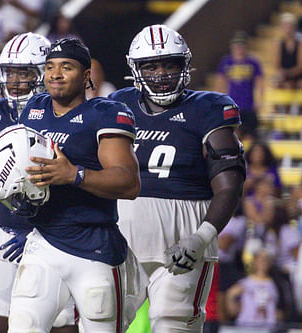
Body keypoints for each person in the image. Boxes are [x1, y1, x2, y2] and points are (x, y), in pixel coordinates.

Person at [0, 37, 146, 333]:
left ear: (87, 75)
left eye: (66, 67)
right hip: (44, 240)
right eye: (50, 67)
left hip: (95, 246)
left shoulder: (103, 114)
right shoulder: (35, 109)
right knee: (22, 325)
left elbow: (129, 183)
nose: (55, 74)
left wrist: (75, 174)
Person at [109, 25, 246, 332]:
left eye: (170, 64)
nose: (161, 74)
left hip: (184, 226)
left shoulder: (209, 108)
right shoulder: (119, 104)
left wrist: (201, 238)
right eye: (151, 66)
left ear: (184, 65)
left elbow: (230, 184)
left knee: (173, 323)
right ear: (136, 69)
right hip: (121, 228)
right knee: (103, 320)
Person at [0, 32, 79, 333]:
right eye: (9, 72)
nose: (14, 81)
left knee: (58, 323)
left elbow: (74, 182)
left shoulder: (66, 111)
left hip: (55, 231)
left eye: (24, 72)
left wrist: (42, 227)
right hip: (7, 228)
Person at [215, 30, 264, 141]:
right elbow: (220, 83)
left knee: (251, 136)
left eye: (241, 45)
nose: (239, 48)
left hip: (248, 106)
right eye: (237, 45)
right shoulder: (226, 62)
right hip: (232, 105)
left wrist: (259, 101)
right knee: (234, 135)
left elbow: (260, 82)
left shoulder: (253, 62)